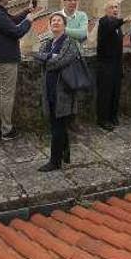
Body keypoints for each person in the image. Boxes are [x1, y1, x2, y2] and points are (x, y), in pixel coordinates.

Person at [0, 0, 35, 140]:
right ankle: (6, 130)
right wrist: (28, 21)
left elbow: (10, 20)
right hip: (6, 59)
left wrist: (26, 11)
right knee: (6, 94)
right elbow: (16, 31)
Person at [34, 13, 81, 172]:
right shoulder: (47, 43)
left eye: (58, 20)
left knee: (58, 125)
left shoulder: (69, 42)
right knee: (56, 123)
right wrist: (50, 57)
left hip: (63, 91)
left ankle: (55, 161)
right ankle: (65, 154)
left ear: (64, 25)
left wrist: (47, 59)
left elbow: (61, 61)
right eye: (53, 20)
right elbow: (38, 57)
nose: (55, 22)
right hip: (49, 90)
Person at [96, 0, 125, 130]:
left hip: (116, 65)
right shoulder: (104, 22)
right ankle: (103, 119)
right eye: (112, 7)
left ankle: (113, 116)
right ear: (106, 10)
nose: (115, 9)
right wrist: (123, 20)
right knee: (105, 93)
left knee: (115, 92)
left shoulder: (116, 25)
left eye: (116, 7)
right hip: (105, 65)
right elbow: (110, 28)